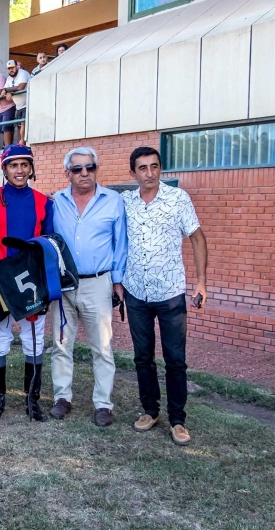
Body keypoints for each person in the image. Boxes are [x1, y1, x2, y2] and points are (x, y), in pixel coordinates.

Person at [122, 146, 208, 446]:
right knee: (143, 358)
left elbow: (197, 237)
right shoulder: (125, 202)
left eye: (154, 166)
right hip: (136, 293)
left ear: (161, 169)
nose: (149, 173)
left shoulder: (178, 199)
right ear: (133, 173)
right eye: (143, 168)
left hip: (171, 293)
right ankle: (150, 410)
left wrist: (201, 282)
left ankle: (177, 419)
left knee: (175, 360)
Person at [0, 144, 54, 423]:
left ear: (31, 168)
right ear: (4, 169)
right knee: (0, 338)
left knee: (34, 340)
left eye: (24, 165)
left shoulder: (45, 202)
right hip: (1, 278)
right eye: (13, 165)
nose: (19, 170)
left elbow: (50, 241)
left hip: (31, 279)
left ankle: (33, 403)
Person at [49, 147, 127, 427]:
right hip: (63, 284)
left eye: (90, 167)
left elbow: (121, 244)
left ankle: (103, 404)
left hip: (98, 282)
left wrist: (117, 281)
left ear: (96, 169)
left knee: (103, 347)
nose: (85, 173)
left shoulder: (113, 201)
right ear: (67, 173)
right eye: (78, 168)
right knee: (60, 343)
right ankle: (62, 398)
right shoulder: (56, 201)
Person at [3, 60, 31, 146]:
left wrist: (7, 90)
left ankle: (23, 144)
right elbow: (4, 90)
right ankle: (21, 146)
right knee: (19, 127)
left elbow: (20, 87)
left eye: (12, 68)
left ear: (17, 67)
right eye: (9, 68)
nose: (11, 70)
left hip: (28, 104)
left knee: (23, 124)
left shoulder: (23, 73)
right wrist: (7, 91)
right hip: (18, 106)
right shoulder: (9, 78)